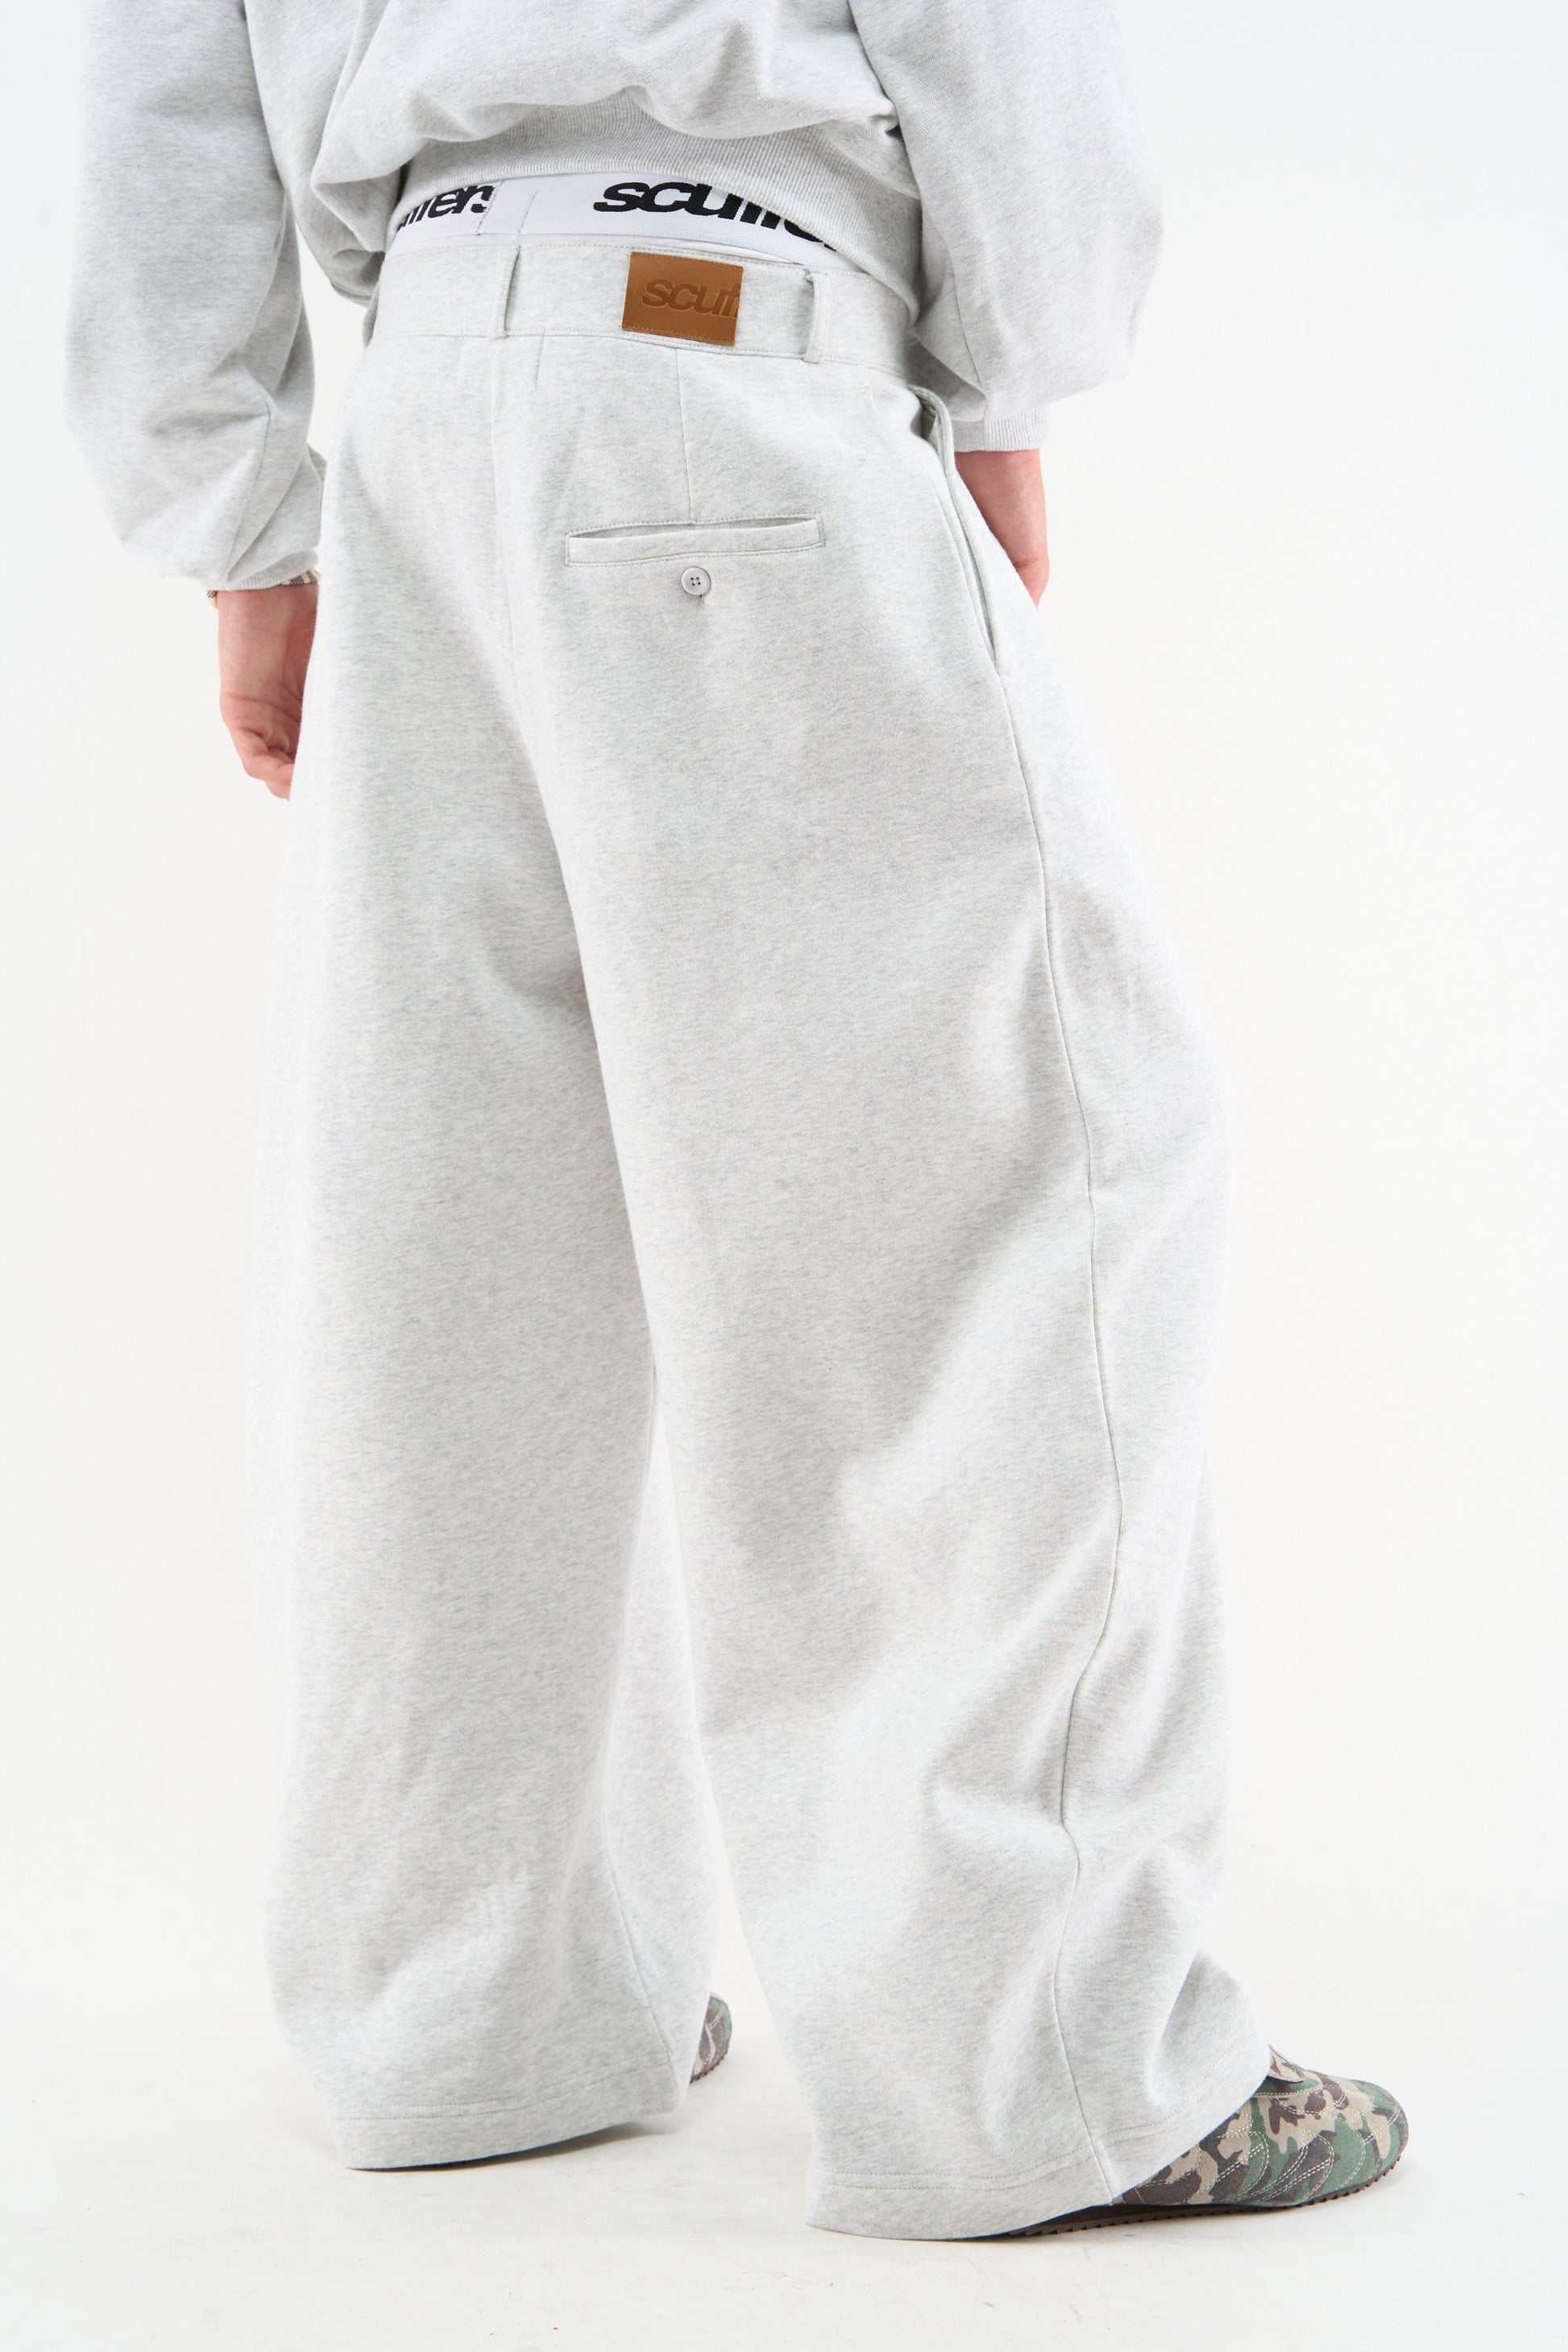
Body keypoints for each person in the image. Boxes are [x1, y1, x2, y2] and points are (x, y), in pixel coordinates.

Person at [66, 0, 1404, 2238]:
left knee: (463, 1260)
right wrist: (1007, 383)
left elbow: (161, 86)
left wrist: (234, 520)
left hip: (422, 434)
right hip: (728, 353)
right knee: (986, 1207)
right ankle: (1037, 2074)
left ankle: (475, 2016)